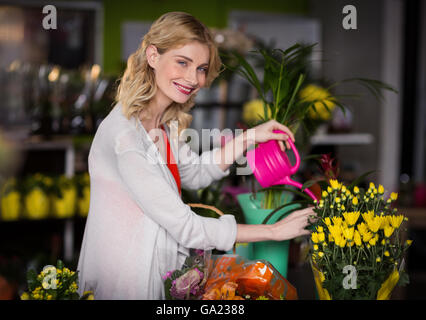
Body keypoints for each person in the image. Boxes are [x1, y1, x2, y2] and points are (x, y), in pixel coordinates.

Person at [77, 11, 314, 300]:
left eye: (201, 68)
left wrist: (251, 137)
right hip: (128, 277)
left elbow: (196, 172)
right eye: (182, 62)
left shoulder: (165, 122)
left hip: (157, 270)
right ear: (153, 56)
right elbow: (188, 228)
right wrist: (274, 231)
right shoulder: (125, 138)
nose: (194, 78)